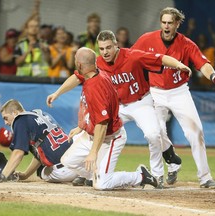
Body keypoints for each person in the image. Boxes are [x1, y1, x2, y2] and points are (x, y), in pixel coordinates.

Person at [132, 7, 215, 189]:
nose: (166, 26)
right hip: (155, 92)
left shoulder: (187, 44)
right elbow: (130, 58)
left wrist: (213, 76)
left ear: (177, 24)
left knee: (196, 132)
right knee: (155, 133)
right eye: (163, 22)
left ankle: (205, 178)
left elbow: (202, 63)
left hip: (179, 92)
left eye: (170, 23)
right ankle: (158, 175)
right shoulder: (146, 39)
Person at [46, 47, 158, 190]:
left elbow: (102, 124)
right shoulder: (94, 73)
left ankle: (139, 176)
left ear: (80, 65)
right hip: (90, 135)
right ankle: (93, 176)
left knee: (101, 185)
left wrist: (93, 152)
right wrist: (57, 94)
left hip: (110, 138)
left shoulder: (95, 87)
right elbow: (76, 78)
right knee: (68, 161)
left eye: (75, 61)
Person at [96, 30, 191, 188]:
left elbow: (160, 58)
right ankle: (90, 173)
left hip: (141, 102)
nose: (105, 52)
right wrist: (58, 92)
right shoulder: (98, 63)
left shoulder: (133, 56)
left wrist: (179, 64)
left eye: (108, 47)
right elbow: (80, 75)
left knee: (153, 134)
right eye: (101, 48)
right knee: (97, 130)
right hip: (118, 106)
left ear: (116, 45)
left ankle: (157, 174)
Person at [0, 99, 78, 183]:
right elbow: (41, 153)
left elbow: (18, 152)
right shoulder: (41, 114)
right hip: (78, 163)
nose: (5, 122)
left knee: (41, 169)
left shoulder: (20, 120)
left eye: (6, 118)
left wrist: (2, 176)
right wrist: (26, 175)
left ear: (15, 113)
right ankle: (83, 177)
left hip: (63, 172)